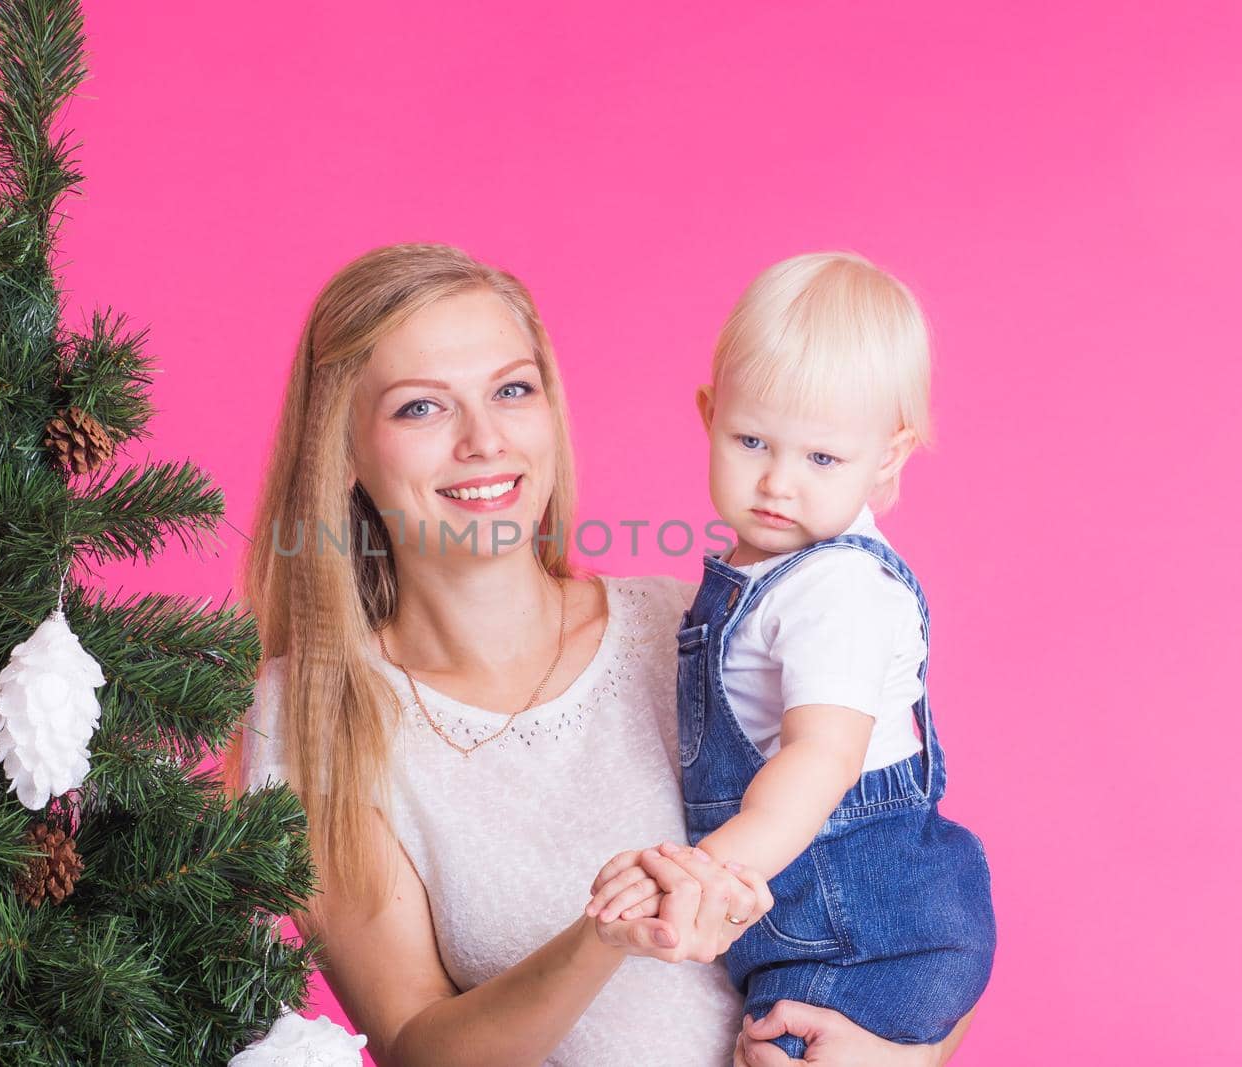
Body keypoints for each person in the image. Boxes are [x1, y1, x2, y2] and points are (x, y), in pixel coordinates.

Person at [227, 243, 974, 1065]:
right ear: (342, 449)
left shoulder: (693, 630)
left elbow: (902, 895)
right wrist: (600, 939)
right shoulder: (314, 717)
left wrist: (900, 1056)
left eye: (512, 390)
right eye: (421, 408)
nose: (484, 440)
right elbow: (416, 1047)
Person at [584, 253, 996, 1058]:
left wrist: (707, 870)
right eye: (752, 440)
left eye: (822, 459)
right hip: (808, 927)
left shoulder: (835, 588)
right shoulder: (767, 575)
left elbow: (823, 757)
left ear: (888, 456)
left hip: (866, 931)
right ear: (708, 415)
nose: (778, 482)